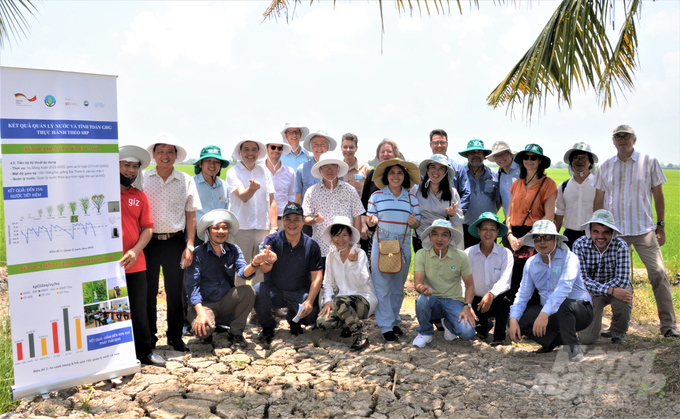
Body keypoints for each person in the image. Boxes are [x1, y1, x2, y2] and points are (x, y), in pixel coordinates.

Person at [593, 124, 678, 338]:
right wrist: (598, 230)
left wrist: (661, 225)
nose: (622, 139)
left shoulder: (648, 162)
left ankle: (668, 326)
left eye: (626, 136)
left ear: (634, 140)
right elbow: (599, 199)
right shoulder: (605, 166)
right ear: (613, 141)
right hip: (615, 234)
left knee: (658, 274)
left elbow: (658, 195)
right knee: (616, 280)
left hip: (644, 230)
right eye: (618, 136)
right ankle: (617, 329)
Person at [143, 134, 201, 352]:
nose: (165, 156)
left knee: (175, 292)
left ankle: (175, 337)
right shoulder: (143, 179)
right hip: (148, 242)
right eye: (160, 152)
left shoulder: (186, 180)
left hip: (175, 242)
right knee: (148, 292)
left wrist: (189, 245)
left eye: (170, 152)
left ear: (176, 155)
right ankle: (149, 338)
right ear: (154, 155)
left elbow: (191, 216)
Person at [509, 220, 593, 362]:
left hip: (580, 311)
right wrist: (513, 318)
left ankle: (573, 350)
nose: (542, 242)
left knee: (562, 306)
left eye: (547, 237)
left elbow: (564, 288)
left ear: (556, 239)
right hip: (550, 313)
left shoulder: (570, 258)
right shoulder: (531, 263)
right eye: (538, 238)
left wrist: (544, 313)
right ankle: (553, 340)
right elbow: (523, 294)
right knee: (519, 319)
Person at [118, 145, 165, 366]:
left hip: (135, 263)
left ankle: (144, 351)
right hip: (108, 265)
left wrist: (135, 250)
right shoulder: (99, 195)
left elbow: (147, 228)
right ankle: (112, 355)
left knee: (139, 308)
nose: (131, 171)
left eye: (135, 167)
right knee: (110, 311)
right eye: (126, 165)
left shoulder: (140, 197)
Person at [253, 203, 323, 348]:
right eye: (288, 219)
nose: (292, 223)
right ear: (282, 221)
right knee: (259, 290)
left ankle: (294, 320)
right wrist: (268, 261)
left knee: (311, 316)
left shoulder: (312, 245)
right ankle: (268, 327)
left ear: (303, 221)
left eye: (296, 219)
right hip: (274, 291)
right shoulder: (271, 240)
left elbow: (317, 277)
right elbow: (264, 270)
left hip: (298, 292)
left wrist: (309, 301)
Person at [366, 158, 421, 341]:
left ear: (405, 176)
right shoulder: (376, 197)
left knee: (398, 286)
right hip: (382, 243)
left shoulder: (412, 197)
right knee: (382, 285)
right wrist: (371, 222)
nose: (396, 176)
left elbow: (417, 221)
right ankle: (385, 326)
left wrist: (415, 222)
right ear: (386, 176)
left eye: (400, 173)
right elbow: (370, 219)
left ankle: (395, 321)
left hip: (403, 243)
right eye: (392, 173)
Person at [186, 210, 257, 348]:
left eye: (224, 227)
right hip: (204, 304)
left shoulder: (234, 250)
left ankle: (236, 333)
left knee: (248, 291)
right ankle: (207, 326)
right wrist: (200, 313)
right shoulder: (198, 253)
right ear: (208, 231)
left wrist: (254, 264)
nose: (221, 231)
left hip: (226, 302)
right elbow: (192, 286)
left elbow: (243, 272)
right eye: (216, 228)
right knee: (204, 331)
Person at [412, 219, 476, 348]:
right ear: (430, 237)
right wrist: (422, 289)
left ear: (451, 238)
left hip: (454, 300)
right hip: (432, 299)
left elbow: (469, 285)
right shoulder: (421, 254)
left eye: (444, 234)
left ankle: (449, 324)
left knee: (468, 333)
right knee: (421, 300)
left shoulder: (460, 256)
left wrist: (467, 307)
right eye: (435, 234)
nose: (439, 239)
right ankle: (425, 332)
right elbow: (417, 283)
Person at [506, 144, 558, 302]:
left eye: (533, 157)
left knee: (532, 279)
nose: (529, 160)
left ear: (540, 160)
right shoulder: (516, 184)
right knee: (512, 279)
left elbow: (549, 215)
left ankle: (531, 318)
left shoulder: (548, 184)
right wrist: (509, 235)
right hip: (513, 235)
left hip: (535, 235)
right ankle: (512, 317)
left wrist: (526, 238)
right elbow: (509, 213)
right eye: (526, 157)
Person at [316, 216, 376, 351]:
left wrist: (353, 264)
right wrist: (327, 301)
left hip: (363, 300)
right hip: (341, 302)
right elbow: (327, 283)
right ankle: (347, 324)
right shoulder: (331, 256)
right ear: (331, 236)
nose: (340, 239)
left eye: (344, 235)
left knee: (339, 302)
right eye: (337, 235)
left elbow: (361, 282)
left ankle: (361, 335)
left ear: (350, 236)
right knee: (322, 322)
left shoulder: (359, 254)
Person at [227, 136, 277, 294]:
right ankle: (239, 308)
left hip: (263, 227)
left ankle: (258, 310)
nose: (250, 153)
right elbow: (243, 196)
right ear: (240, 152)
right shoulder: (233, 172)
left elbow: (272, 201)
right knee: (240, 269)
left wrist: (274, 227)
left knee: (263, 269)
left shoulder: (264, 171)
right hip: (242, 228)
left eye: (254, 149)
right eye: (246, 150)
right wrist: (253, 188)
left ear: (259, 152)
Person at [573, 210, 632, 344]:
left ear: (612, 233)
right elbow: (581, 279)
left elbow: (622, 280)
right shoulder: (579, 245)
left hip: (615, 288)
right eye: (596, 231)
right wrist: (607, 290)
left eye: (606, 232)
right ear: (590, 231)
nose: (600, 236)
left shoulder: (621, 245)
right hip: (594, 291)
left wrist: (607, 290)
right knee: (586, 339)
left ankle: (618, 331)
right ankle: (592, 329)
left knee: (625, 295)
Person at [302, 153, 365, 263]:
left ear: (338, 168)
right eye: (325, 166)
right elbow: (305, 218)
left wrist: (356, 245)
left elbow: (357, 217)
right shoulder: (311, 192)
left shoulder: (349, 190)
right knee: (323, 280)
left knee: (345, 280)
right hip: (321, 248)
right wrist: (313, 220)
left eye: (333, 166)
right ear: (320, 170)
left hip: (346, 247)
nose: (329, 170)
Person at [465, 212, 514, 346]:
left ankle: (499, 336)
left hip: (496, 298)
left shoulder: (505, 254)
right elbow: (462, 281)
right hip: (475, 300)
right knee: (479, 331)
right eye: (485, 229)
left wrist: (491, 294)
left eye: (492, 229)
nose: (488, 232)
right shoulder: (468, 253)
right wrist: (467, 304)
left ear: (498, 232)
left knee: (505, 300)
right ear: (478, 231)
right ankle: (484, 326)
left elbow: (505, 281)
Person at [359, 139, 403, 255]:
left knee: (395, 264)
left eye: (389, 151)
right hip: (373, 231)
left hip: (396, 231)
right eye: (382, 152)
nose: (385, 154)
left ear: (395, 154)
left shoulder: (401, 176)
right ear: (378, 155)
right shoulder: (372, 175)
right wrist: (364, 225)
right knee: (373, 266)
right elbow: (363, 203)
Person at [413, 154, 464, 253]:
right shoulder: (416, 190)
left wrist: (453, 214)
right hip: (420, 239)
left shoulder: (452, 192)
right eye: (433, 167)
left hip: (443, 242)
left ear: (445, 172)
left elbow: (459, 221)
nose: (436, 171)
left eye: (441, 168)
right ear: (427, 169)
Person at [294, 130, 339, 237]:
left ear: (328, 148)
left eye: (322, 144)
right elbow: (298, 197)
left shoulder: (337, 167)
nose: (319, 147)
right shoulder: (302, 169)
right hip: (308, 221)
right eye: (315, 144)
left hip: (332, 220)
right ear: (311, 148)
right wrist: (297, 218)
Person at [555, 142, 598, 249]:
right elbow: (559, 212)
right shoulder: (563, 186)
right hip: (569, 236)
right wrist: (554, 234)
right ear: (571, 162)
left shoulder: (599, 185)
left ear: (590, 162)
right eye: (576, 158)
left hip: (592, 236)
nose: (580, 161)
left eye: (584, 157)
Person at [458, 140, 500, 248]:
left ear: (484, 155)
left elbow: (499, 200)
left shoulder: (494, 175)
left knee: (490, 259)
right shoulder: (460, 175)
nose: (476, 155)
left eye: (479, 152)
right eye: (472, 152)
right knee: (467, 261)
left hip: (489, 229)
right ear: (467, 155)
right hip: (465, 227)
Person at [428, 129, 471, 214]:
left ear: (447, 144)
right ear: (431, 145)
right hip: (428, 219)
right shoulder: (424, 168)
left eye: (442, 142)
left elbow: (466, 193)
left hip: (452, 220)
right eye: (436, 143)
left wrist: (456, 213)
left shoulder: (459, 168)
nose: (439, 145)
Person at [193, 145, 230, 234]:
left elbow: (227, 210)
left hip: (219, 234)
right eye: (208, 161)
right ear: (200, 163)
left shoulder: (224, 186)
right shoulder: (191, 183)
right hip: (196, 233)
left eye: (217, 162)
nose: (212, 165)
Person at [263, 133, 295, 231]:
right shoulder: (258, 170)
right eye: (273, 147)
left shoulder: (290, 172)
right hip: (262, 221)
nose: (276, 150)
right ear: (267, 148)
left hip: (283, 221)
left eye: (279, 148)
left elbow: (291, 198)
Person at [486, 141, 519, 222]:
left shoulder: (523, 169)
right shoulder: (499, 174)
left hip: (527, 222)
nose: (500, 158)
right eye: (496, 156)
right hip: (509, 222)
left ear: (510, 154)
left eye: (503, 154)